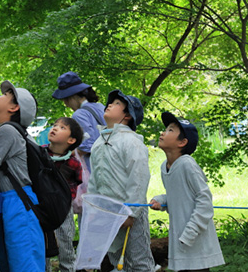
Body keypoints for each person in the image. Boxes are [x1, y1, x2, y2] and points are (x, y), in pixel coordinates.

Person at [0, 81, 45, 272]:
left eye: (5, 95)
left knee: (24, 264)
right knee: (10, 262)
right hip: (15, 202)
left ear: (14, 107)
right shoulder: (2, 132)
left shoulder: (8, 131)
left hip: (20, 205)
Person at [86, 89, 156, 272]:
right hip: (107, 214)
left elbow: (139, 178)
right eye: (111, 102)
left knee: (139, 262)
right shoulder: (99, 143)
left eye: (117, 103)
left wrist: (131, 213)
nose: (109, 104)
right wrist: (94, 208)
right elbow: (95, 179)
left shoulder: (132, 142)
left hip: (129, 213)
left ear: (127, 116)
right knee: (116, 259)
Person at [150, 112, 225, 272]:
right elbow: (178, 197)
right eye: (166, 129)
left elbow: (205, 201)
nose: (163, 133)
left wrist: (190, 233)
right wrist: (161, 201)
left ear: (182, 142)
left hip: (195, 243)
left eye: (170, 130)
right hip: (181, 244)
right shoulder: (165, 167)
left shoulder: (187, 164)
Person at [41, 117, 84, 272]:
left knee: (65, 247)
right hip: (41, 209)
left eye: (62, 128)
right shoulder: (40, 154)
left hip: (63, 210)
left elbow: (77, 181)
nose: (55, 128)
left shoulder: (73, 163)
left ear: (71, 140)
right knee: (42, 247)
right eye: (54, 125)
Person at [52, 71, 105, 171]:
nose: (66, 105)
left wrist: (62, 155)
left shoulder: (79, 114)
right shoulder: (100, 107)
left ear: (72, 96)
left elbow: (87, 145)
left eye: (65, 100)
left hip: (97, 168)